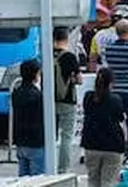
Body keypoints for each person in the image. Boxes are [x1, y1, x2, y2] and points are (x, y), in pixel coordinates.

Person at [82, 68, 127, 187]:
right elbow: (121, 121)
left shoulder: (88, 97)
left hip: (91, 144)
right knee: (109, 182)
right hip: (113, 145)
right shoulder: (116, 100)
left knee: (92, 180)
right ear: (112, 83)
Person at [52, 26, 82, 172]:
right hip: (67, 100)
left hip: (49, 101)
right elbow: (79, 80)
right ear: (66, 38)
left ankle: (49, 165)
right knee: (66, 136)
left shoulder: (46, 54)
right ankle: (63, 169)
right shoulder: (70, 57)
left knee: (51, 135)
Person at [12, 59, 46, 176]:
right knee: (37, 179)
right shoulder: (38, 95)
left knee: (23, 177)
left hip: (20, 140)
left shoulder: (16, 93)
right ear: (36, 74)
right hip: (36, 141)